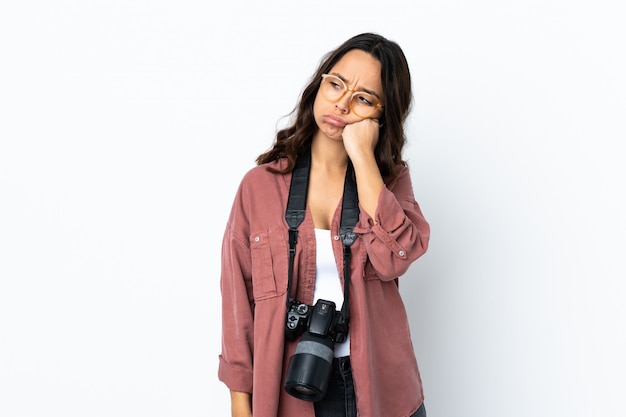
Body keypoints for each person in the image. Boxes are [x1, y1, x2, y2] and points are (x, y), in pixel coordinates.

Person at [218, 32, 430, 417]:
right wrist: (240, 402)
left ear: (381, 115)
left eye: (364, 98)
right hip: (287, 387)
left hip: (381, 390)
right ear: (319, 85)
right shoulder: (259, 186)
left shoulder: (389, 181)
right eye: (336, 84)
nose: (343, 103)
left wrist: (364, 159)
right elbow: (237, 301)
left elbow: (394, 259)